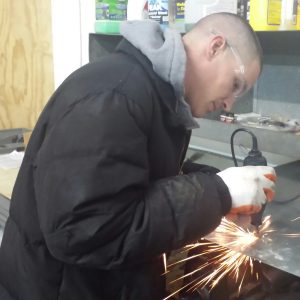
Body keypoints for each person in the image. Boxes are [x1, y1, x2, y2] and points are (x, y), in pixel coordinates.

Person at [0, 12, 276, 300]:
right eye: (235, 85)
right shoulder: (114, 96)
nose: (230, 103)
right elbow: (86, 232)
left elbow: (134, 178)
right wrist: (217, 193)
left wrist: (216, 192)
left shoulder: (157, 96)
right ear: (216, 46)